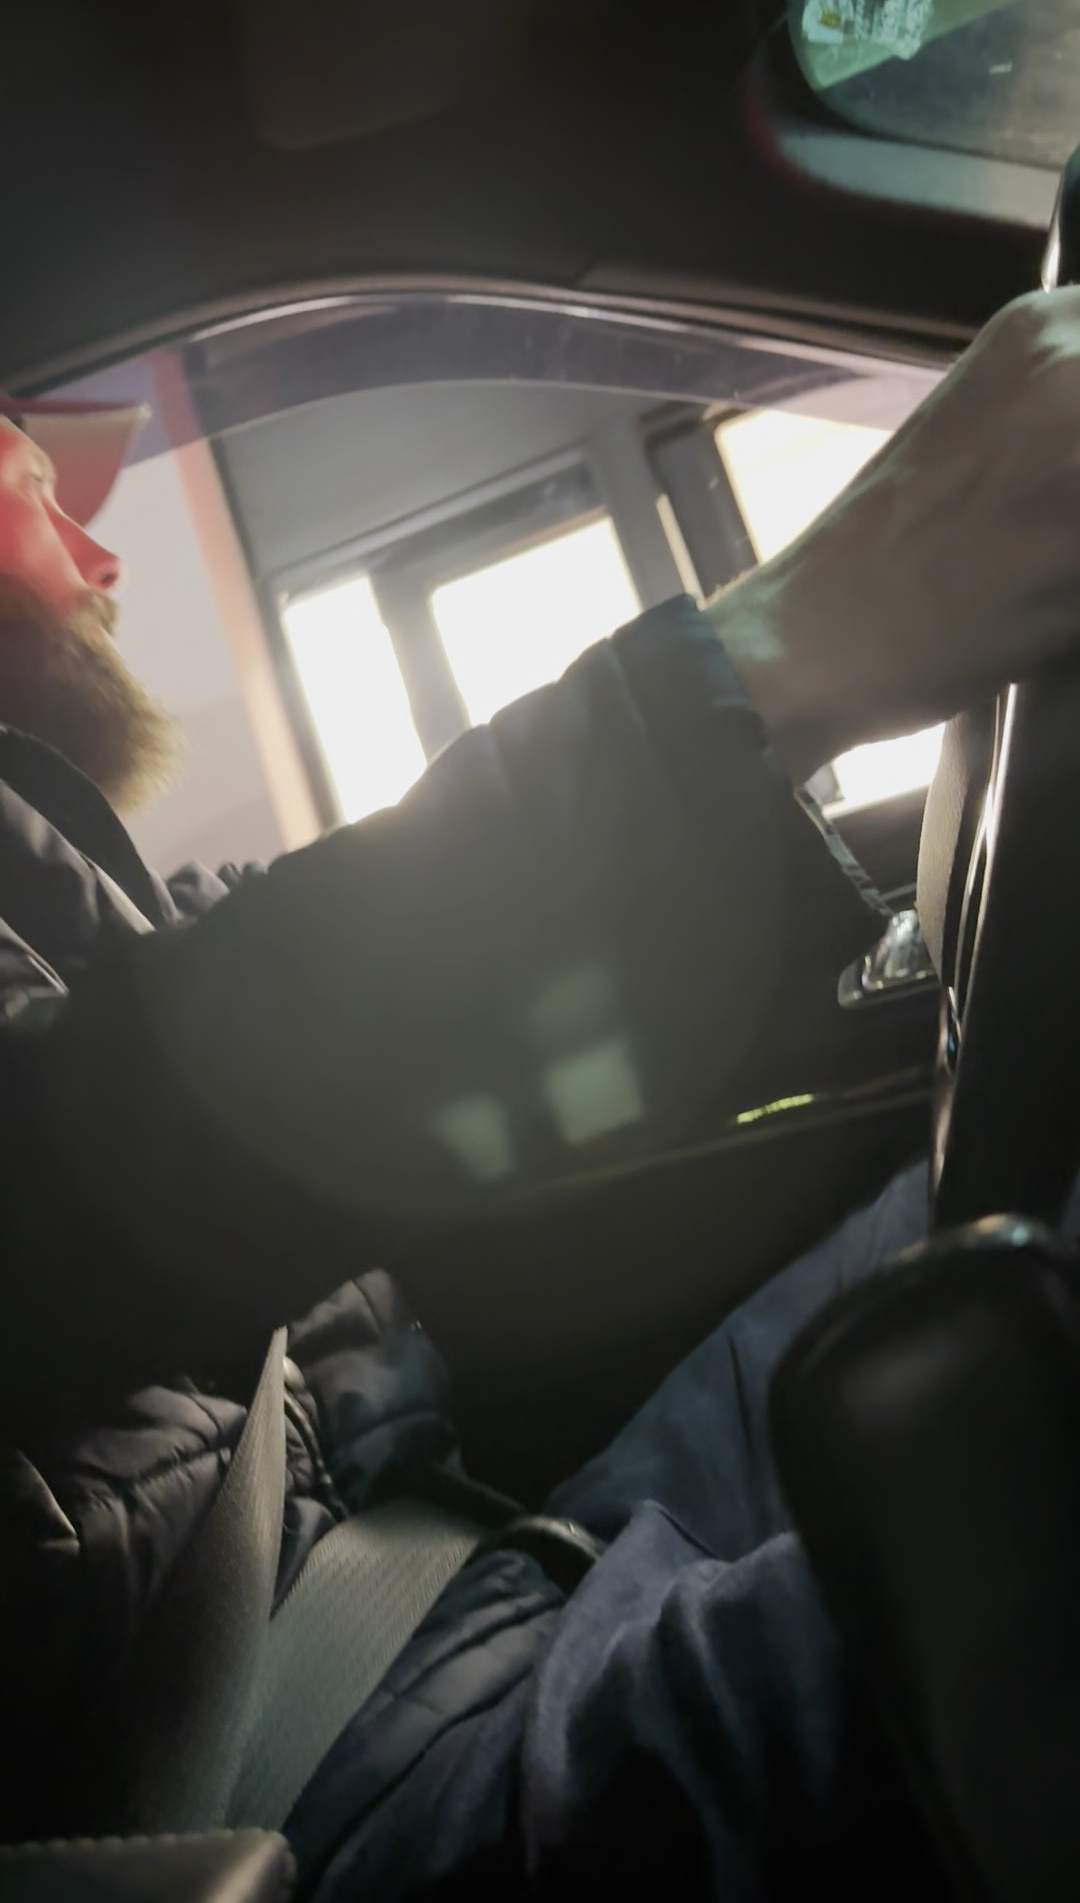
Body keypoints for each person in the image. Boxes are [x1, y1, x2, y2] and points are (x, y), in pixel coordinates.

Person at [2, 285, 1080, 1896]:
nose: (104, 554)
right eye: (31, 483)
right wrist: (795, 641)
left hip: (426, 1570)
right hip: (291, 1797)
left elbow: (263, 982)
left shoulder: (55, 877)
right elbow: (67, 1165)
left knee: (983, 1210)